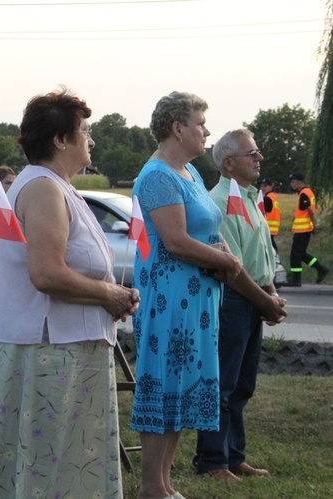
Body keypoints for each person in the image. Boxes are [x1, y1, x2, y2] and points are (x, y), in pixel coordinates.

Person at [0, 88, 140, 498]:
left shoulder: (59, 187)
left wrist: (110, 296)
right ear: (60, 140)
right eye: (85, 131)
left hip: (69, 348)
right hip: (49, 354)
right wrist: (107, 294)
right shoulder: (43, 188)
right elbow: (47, 274)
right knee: (50, 470)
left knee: (71, 466)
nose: (92, 140)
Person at [129, 91, 242, 499]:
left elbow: (205, 232)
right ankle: (151, 488)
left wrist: (226, 258)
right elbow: (175, 241)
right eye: (199, 124)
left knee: (180, 390)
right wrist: (229, 264)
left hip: (196, 298)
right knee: (164, 385)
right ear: (178, 128)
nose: (206, 131)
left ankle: (164, 483)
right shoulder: (158, 175)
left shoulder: (189, 174)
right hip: (169, 299)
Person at [193, 129, 287, 482]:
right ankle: (212, 460)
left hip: (254, 300)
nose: (259, 158)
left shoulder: (250, 198)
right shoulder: (219, 203)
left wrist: (271, 295)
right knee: (222, 383)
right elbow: (232, 268)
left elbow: (260, 256)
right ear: (228, 162)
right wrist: (265, 300)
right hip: (234, 301)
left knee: (243, 384)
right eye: (252, 153)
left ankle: (234, 457)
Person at [287, 172, 329, 286]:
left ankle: (296, 280)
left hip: (303, 230)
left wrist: (315, 224)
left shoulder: (304, 194)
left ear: (299, 182)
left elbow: (310, 211)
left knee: (295, 255)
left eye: (293, 182)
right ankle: (321, 269)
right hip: (305, 229)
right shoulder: (308, 192)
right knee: (302, 254)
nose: (291, 184)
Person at [259, 178, 280, 253]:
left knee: (270, 247)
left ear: (271, 186)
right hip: (273, 226)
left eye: (265, 186)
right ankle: (277, 260)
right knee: (271, 245)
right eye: (261, 186)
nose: (263, 188)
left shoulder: (267, 198)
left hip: (267, 226)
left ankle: (276, 261)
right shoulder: (274, 197)